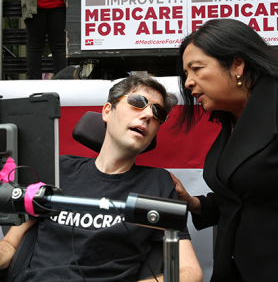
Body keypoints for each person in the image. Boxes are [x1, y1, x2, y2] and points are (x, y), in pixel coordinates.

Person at [0, 75, 203, 282]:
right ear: (107, 111)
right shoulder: (60, 170)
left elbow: (189, 272)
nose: (148, 115)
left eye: (158, 112)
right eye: (138, 102)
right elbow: (9, 245)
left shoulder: (156, 184)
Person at [170, 18, 278, 282]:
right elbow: (244, 197)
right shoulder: (231, 120)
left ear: (237, 64)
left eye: (196, 69)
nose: (188, 83)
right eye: (186, 74)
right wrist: (194, 204)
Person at [12, 0, 67, 79]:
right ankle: (33, 85)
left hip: (59, 5)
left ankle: (63, 84)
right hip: (34, 6)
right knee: (34, 46)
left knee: (59, 47)